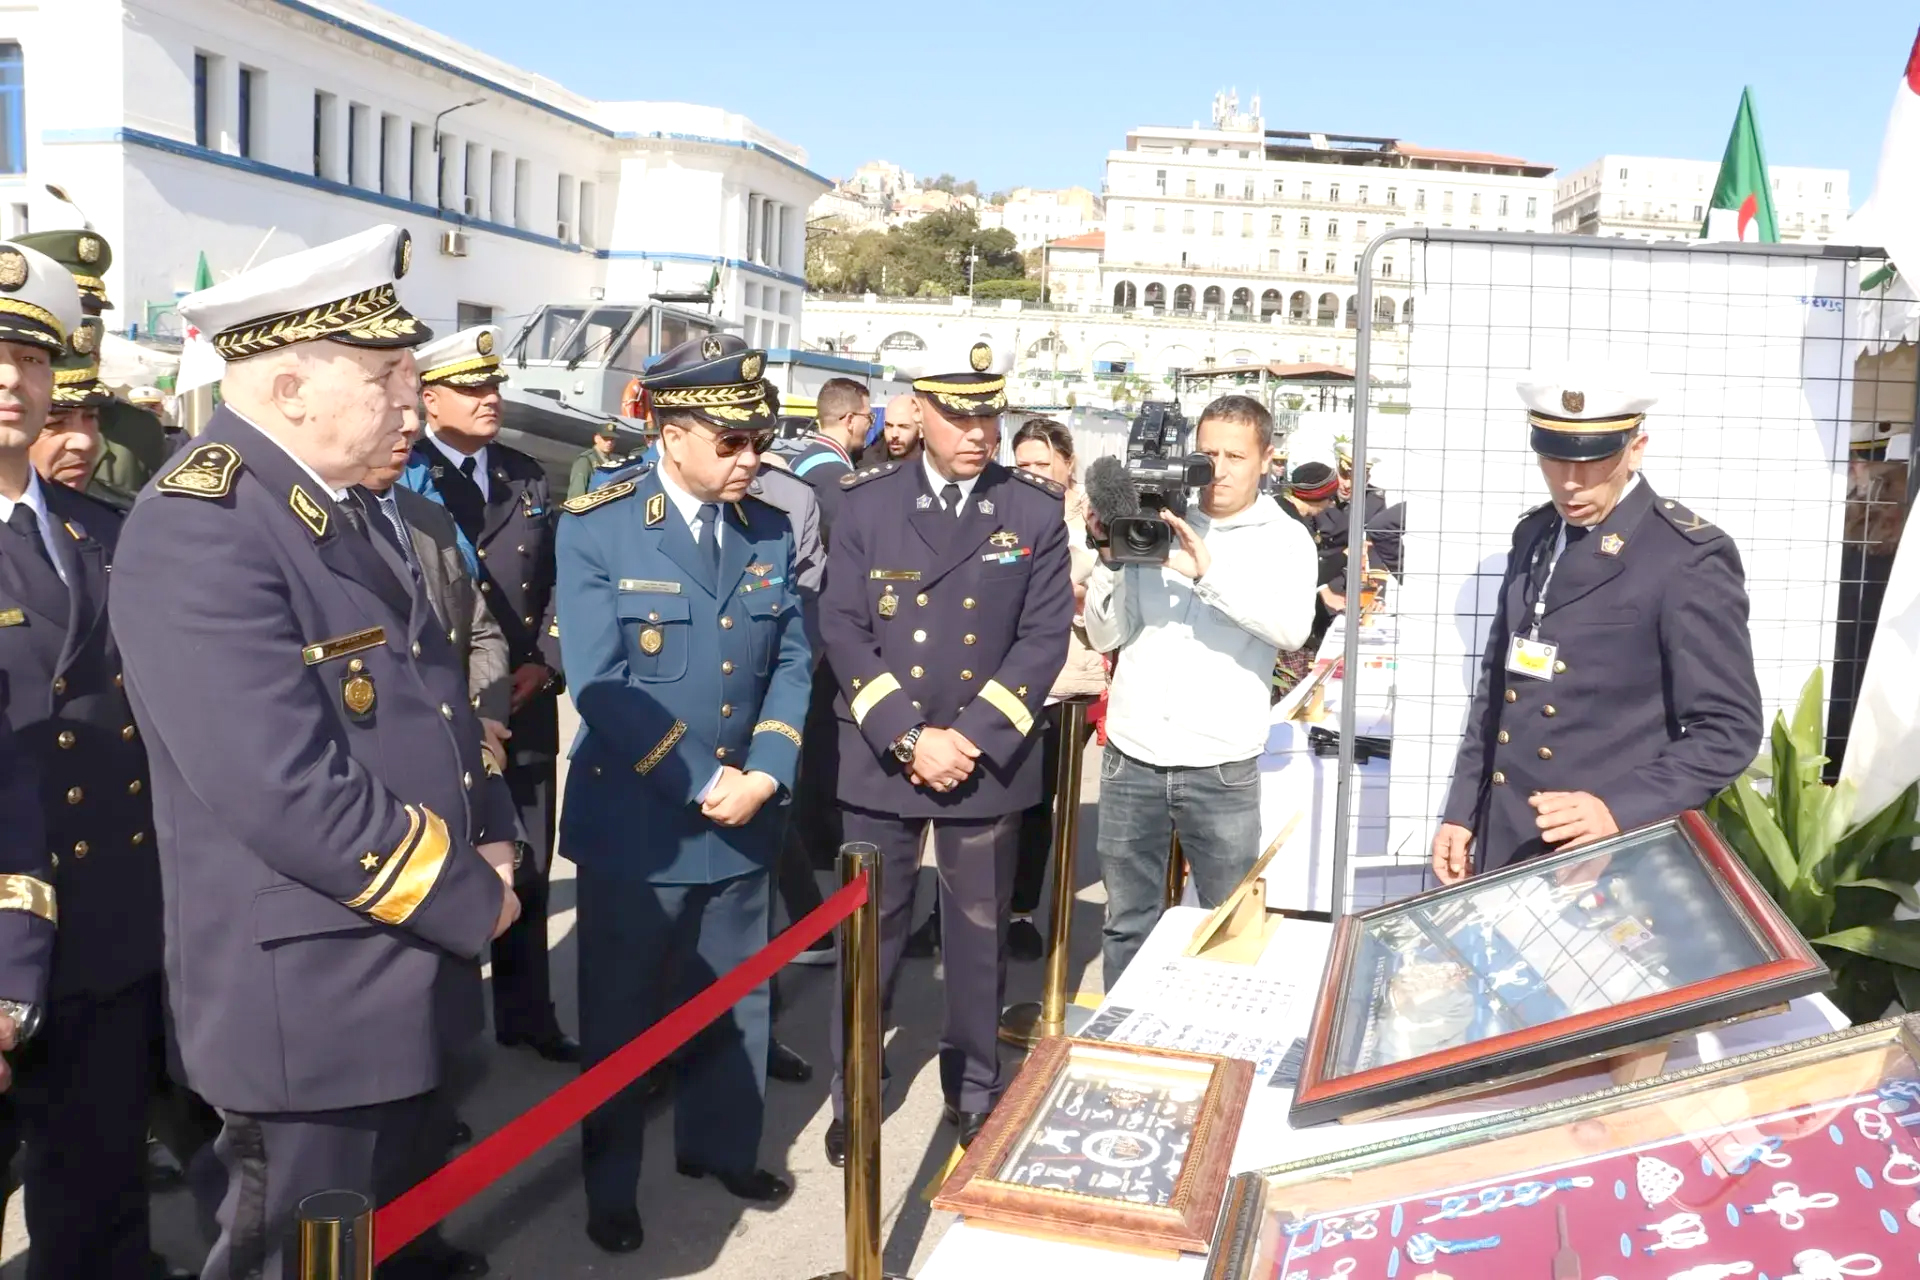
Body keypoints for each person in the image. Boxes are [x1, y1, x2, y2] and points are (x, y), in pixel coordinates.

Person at [109, 225, 519, 1280]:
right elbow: (281, 785)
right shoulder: (202, 523)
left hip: (408, 960)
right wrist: (469, 890)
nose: (410, 398)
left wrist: (502, 838)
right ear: (290, 387)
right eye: (387, 373)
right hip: (314, 1001)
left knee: (398, 1236)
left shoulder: (358, 507)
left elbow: (436, 708)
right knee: (297, 1253)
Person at [556, 333, 810, 1254]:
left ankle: (720, 1146)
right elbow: (601, 684)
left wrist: (768, 772)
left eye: (760, 440)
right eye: (730, 442)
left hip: (747, 811)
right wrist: (706, 781)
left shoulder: (770, 529)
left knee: (741, 997)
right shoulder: (596, 525)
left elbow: (791, 659)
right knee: (622, 1018)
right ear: (669, 434)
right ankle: (610, 1186)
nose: (752, 460)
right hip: (642, 824)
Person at [818, 339, 1073, 1164]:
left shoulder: (1031, 511)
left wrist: (967, 740)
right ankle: (856, 1089)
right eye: (960, 415)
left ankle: (974, 1090)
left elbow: (1040, 641)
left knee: (977, 944)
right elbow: (844, 629)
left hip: (982, 765)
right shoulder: (863, 504)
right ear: (916, 412)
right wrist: (908, 737)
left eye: (988, 415)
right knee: (872, 943)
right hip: (884, 759)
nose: (977, 432)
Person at [0, 240, 175, 1280]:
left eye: (29, 357)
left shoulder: (98, 530)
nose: (9, 380)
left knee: (102, 1192)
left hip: (107, 922)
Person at [1431, 368, 1763, 882]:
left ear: (1636, 449)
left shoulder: (1685, 556)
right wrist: (1463, 810)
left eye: (1592, 460)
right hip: (1509, 833)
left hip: (1605, 851)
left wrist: (1616, 808)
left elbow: (1728, 730)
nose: (1569, 481)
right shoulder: (1536, 533)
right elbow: (1498, 687)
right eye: (1554, 458)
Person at [1083, 394, 1317, 984]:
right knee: (1127, 922)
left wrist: (1208, 573)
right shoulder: (1154, 517)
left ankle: (1216, 1060)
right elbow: (1107, 632)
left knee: (1226, 926)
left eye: (1235, 455)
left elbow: (1290, 630)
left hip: (1220, 764)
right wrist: (1113, 555)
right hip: (1132, 756)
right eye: (1207, 452)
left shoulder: (1285, 539)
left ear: (1267, 458)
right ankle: (1128, 1050)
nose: (1218, 468)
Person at [401, 326, 576, 1064]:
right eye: (472, 388)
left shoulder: (524, 474)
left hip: (524, 700)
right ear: (429, 398)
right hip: (444, 709)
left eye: (493, 386)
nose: (490, 399)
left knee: (527, 862)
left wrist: (549, 659)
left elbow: (560, 576)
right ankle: (441, 1041)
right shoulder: (402, 481)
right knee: (442, 865)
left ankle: (527, 1011)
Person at [1003, 418, 1104, 962]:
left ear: (1068, 463)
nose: (1034, 475)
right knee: (987, 804)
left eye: (1044, 464)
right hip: (1007, 679)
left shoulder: (1094, 518)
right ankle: (957, 910)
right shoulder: (1003, 507)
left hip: (1071, 684)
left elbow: (1101, 592)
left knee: (1041, 805)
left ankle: (1021, 911)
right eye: (1024, 466)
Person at [787, 375, 868, 540]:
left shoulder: (801, 459)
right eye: (868, 418)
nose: (870, 425)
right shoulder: (839, 476)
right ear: (850, 420)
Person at [860, 392, 921, 467]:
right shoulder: (867, 466)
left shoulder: (935, 463)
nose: (894, 434)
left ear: (920, 429)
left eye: (903, 427)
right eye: (889, 426)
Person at [568, 422, 625, 502]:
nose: (609, 442)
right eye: (605, 438)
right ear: (596, 439)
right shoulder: (585, 460)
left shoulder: (611, 463)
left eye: (612, 439)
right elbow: (576, 495)